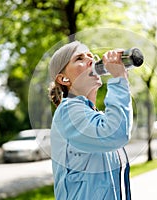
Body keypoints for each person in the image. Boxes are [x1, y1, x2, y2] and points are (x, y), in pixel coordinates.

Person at [48, 40, 133, 200]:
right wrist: (119, 80)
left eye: (90, 56)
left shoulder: (96, 118)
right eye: (79, 58)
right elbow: (116, 134)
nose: (91, 60)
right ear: (64, 79)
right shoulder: (67, 112)